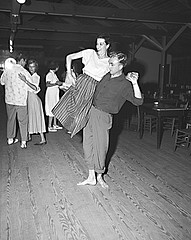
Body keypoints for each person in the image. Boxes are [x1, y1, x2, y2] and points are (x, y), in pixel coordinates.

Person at [77, 51, 144, 188]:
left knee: (101, 148)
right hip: (91, 111)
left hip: (103, 116)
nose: (109, 66)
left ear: (121, 66)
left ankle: (99, 175)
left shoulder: (125, 84)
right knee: (87, 145)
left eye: (112, 64)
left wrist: (135, 83)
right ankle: (91, 177)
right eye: (109, 63)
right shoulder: (107, 76)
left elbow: (138, 101)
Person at [52, 33, 111, 137]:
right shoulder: (90, 52)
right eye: (97, 44)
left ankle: (84, 131)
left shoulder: (109, 62)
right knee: (70, 106)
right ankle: (67, 125)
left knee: (84, 114)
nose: (98, 47)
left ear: (107, 46)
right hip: (83, 82)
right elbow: (69, 57)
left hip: (95, 87)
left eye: (101, 44)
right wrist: (69, 74)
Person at [0, 54, 38, 149]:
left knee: (11, 119)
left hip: (9, 100)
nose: (25, 64)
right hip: (20, 100)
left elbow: (2, 82)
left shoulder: (7, 71)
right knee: (23, 121)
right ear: (21, 60)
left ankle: (10, 139)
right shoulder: (24, 72)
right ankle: (23, 141)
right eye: (25, 61)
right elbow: (33, 88)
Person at [25, 59, 47, 145]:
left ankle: (43, 139)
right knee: (30, 116)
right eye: (30, 66)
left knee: (37, 117)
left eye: (33, 66)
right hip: (29, 98)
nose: (31, 68)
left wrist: (25, 81)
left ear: (36, 67)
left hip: (34, 98)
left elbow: (34, 88)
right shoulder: (29, 76)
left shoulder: (36, 76)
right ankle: (29, 135)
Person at [45, 61, 63, 132]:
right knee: (51, 108)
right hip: (51, 94)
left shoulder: (54, 75)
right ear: (56, 68)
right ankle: (49, 126)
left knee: (55, 108)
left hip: (55, 94)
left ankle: (55, 124)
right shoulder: (49, 74)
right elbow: (47, 84)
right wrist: (56, 84)